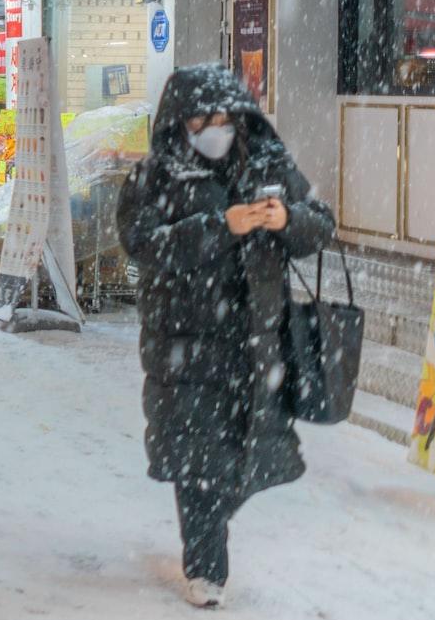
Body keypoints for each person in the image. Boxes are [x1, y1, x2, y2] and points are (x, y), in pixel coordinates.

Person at [117, 64, 334, 610]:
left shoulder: (267, 163)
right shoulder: (155, 175)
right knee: (197, 461)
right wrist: (221, 226)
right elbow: (144, 245)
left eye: (223, 118)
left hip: (255, 345)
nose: (214, 129)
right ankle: (206, 568)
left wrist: (286, 219)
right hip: (183, 345)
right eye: (201, 120)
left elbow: (320, 225)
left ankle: (212, 526)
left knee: (245, 459)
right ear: (178, 121)